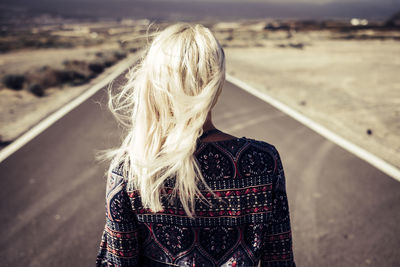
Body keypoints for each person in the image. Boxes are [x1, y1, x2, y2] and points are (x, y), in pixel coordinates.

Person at [96, 22, 296, 267]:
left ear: (155, 83)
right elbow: (280, 260)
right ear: (217, 84)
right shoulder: (263, 161)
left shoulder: (132, 167)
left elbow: (118, 263)